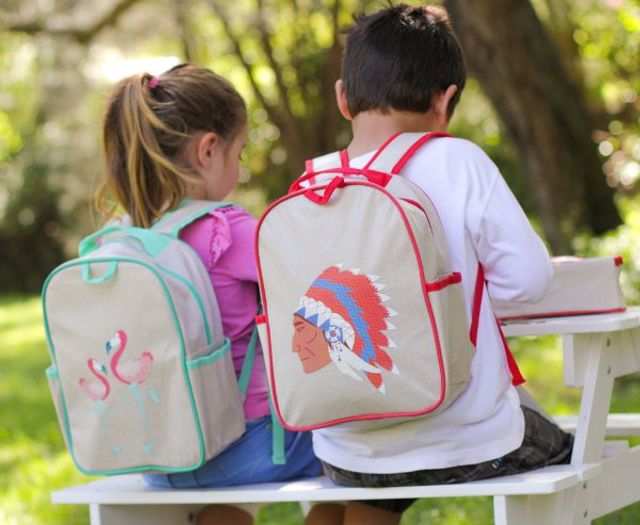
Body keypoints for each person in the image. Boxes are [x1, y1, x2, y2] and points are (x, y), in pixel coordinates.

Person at [307, 5, 574, 525]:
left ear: (342, 97)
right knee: (571, 449)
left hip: (348, 450)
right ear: (445, 100)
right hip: (466, 441)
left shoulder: (315, 184)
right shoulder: (458, 161)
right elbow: (529, 281)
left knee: (381, 477)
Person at [96, 64, 343, 525]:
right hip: (247, 449)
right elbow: (317, 282)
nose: (240, 166)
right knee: (350, 446)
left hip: (160, 458)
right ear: (208, 150)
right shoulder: (226, 231)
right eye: (240, 152)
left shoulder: (130, 240)